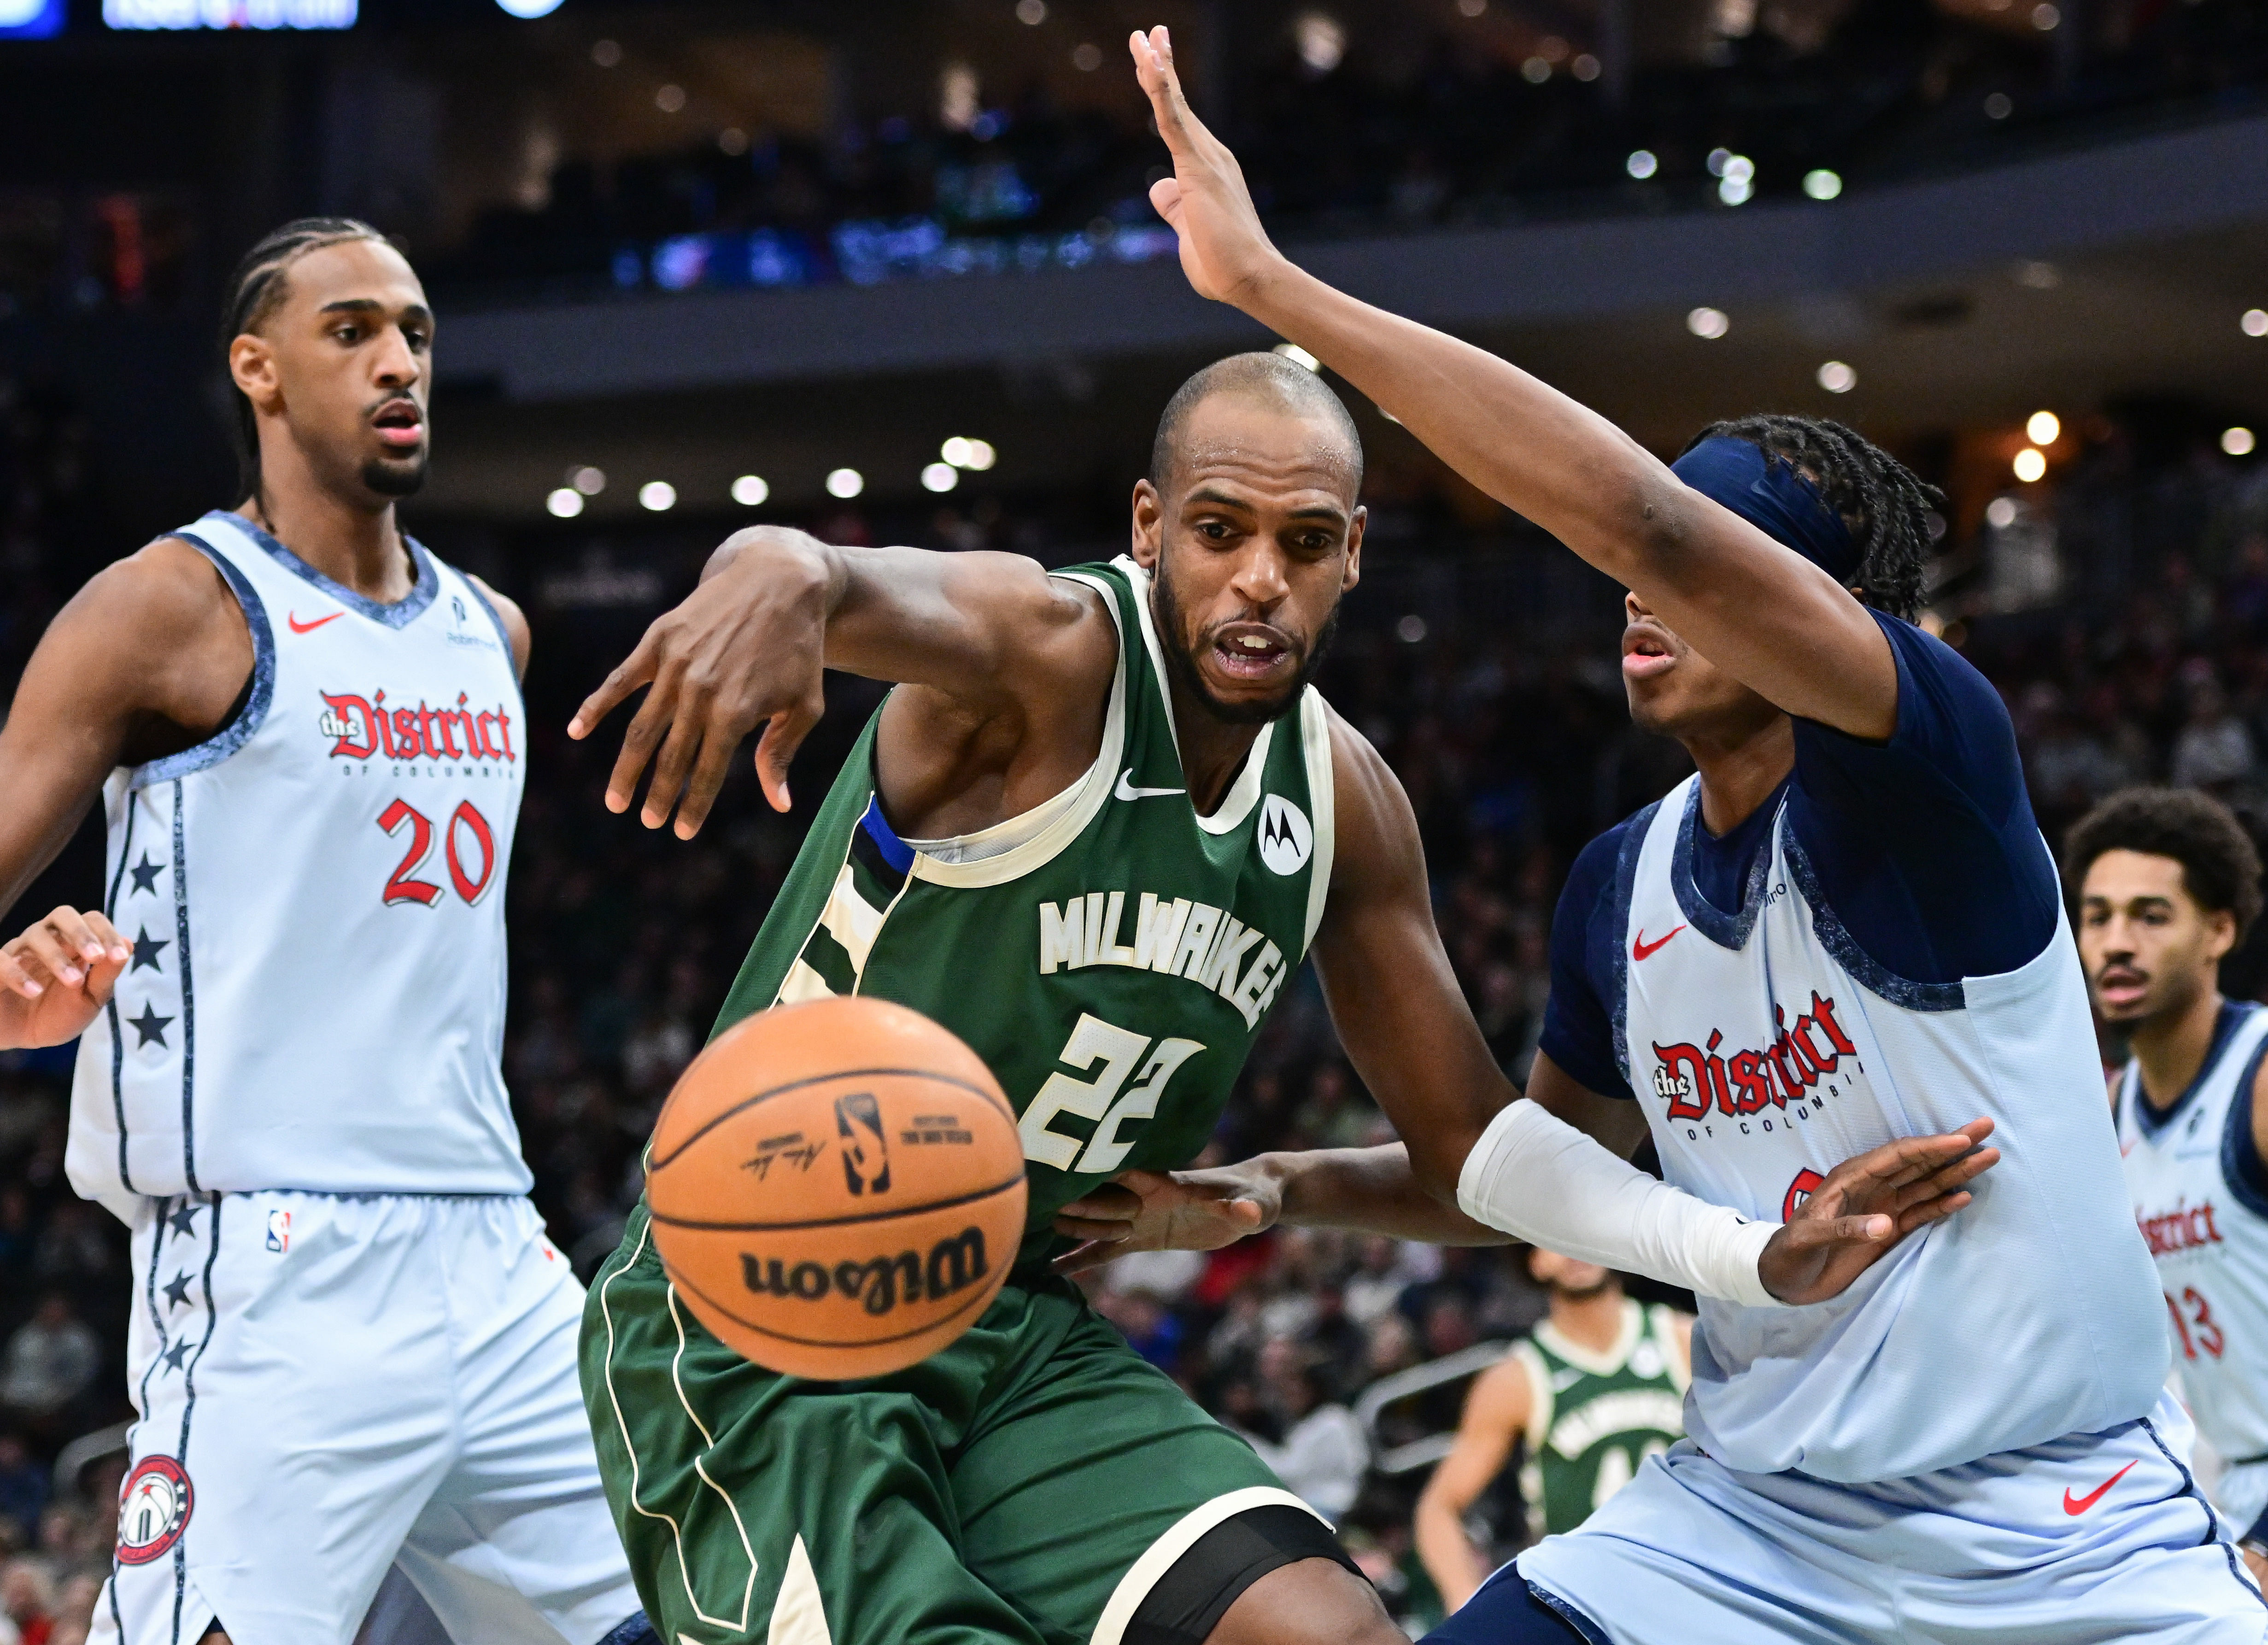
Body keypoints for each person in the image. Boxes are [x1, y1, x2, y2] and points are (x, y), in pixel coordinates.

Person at [1108, 23, 2266, 1642]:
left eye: (1708, 560)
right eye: (1649, 568)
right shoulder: (1619, 883)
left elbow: (1635, 517)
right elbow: (1521, 1175)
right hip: (1745, 1529)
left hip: (2059, 1534)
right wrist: (1273, 1186)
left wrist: (1276, 294)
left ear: (1820, 614)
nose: (1639, 588)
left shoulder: (1924, 770)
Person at [567, 356, 1993, 1639]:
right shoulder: (1045, 652)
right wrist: (771, 565)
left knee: (1330, 1631)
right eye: (1220, 531)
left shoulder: (1349, 802)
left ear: (1353, 555)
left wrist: (1740, 1250)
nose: (1260, 577)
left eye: (1304, 543)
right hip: (769, 1311)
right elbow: (847, 581)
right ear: (1148, 528)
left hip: (1008, 1328)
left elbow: (1477, 1157)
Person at [0, 218, 647, 1645]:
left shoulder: (498, 634)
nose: (398, 359)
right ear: (259, 369)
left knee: (701, 1611)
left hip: (499, 1249)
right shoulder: (172, 606)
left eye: (414, 329)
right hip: (275, 1257)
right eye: (351, 330)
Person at [2067, 786, 2268, 1586]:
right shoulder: (2105, 1114)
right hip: (2225, 1488)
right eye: (2098, 915)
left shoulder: (2257, 1082)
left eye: (2151, 916)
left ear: (2219, 930)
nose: (2117, 942)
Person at [1412, 1254, 1690, 1611]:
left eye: (1582, 1231)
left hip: (1685, 1580)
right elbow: (1438, 1508)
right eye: (1554, 1240)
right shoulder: (1516, 1377)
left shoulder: (1682, 1338)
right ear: (1532, 1261)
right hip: (1587, 1602)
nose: (1574, 1251)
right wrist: (1464, 1602)